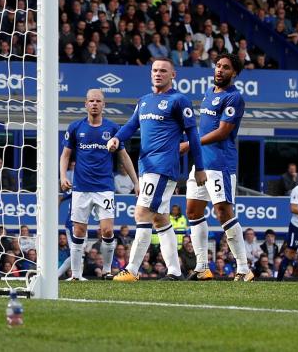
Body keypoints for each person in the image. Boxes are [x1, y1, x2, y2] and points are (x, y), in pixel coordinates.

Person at [109, 57, 204, 282]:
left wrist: (199, 167)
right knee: (160, 220)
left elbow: (194, 137)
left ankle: (131, 270)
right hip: (146, 166)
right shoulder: (144, 101)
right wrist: (116, 138)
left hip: (163, 167)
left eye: (163, 70)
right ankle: (174, 271)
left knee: (141, 213)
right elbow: (132, 125)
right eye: (154, 70)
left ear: (173, 75)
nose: (158, 74)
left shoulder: (180, 100)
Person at [182, 53, 253, 281]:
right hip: (201, 163)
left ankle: (243, 268)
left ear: (235, 73)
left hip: (221, 164)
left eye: (226, 67)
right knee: (193, 211)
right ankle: (202, 267)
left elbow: (223, 132)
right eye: (218, 66)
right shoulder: (208, 93)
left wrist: (191, 143)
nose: (220, 70)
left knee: (223, 213)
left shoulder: (234, 98)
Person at [59, 88, 138, 280]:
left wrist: (136, 182)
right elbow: (65, 155)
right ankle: (76, 275)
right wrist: (62, 176)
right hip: (80, 188)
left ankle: (106, 271)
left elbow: (124, 157)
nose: (94, 104)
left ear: (104, 105)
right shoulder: (75, 128)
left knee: (107, 230)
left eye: (98, 101)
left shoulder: (112, 129)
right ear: (85, 104)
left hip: (104, 188)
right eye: (91, 101)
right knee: (79, 230)